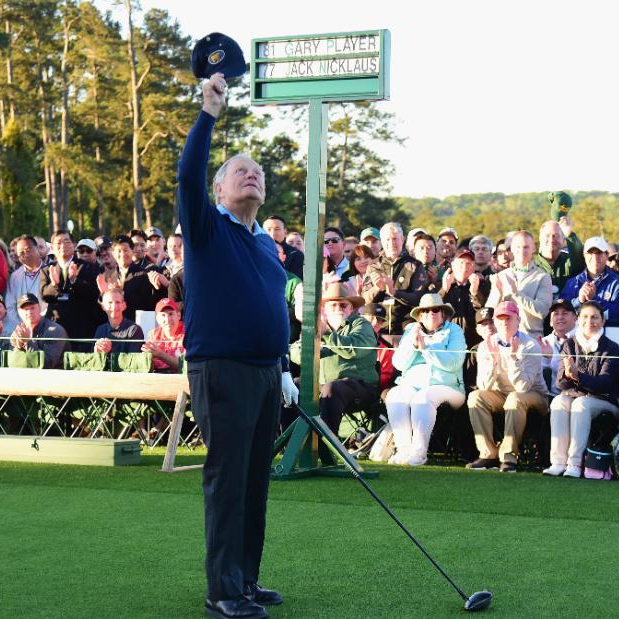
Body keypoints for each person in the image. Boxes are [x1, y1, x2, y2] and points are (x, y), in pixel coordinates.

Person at [178, 71, 294, 617]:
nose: (251, 177)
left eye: (258, 174)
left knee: (255, 480)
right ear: (220, 189)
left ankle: (246, 580)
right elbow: (186, 178)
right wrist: (208, 114)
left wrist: (284, 366)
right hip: (220, 368)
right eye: (239, 172)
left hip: (268, 372)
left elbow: (273, 312)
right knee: (228, 480)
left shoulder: (269, 248)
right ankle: (222, 590)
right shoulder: (206, 229)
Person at [382, 294, 467, 466]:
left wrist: (426, 349)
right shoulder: (411, 330)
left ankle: (419, 452)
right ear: (419, 315)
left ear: (443, 314)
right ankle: (404, 449)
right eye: (425, 311)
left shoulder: (455, 330)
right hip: (412, 385)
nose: (431, 314)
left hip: (448, 387)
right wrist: (413, 346)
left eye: (436, 310)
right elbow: (398, 363)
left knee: (423, 397)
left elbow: (454, 363)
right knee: (395, 395)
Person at [465, 300, 548, 472]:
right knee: (475, 397)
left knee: (515, 399)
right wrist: (494, 362)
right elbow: (484, 385)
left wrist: (513, 359)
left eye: (509, 318)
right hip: (499, 393)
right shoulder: (485, 346)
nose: (504, 322)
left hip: (534, 396)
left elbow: (523, 387)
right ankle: (488, 454)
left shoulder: (531, 345)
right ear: (495, 322)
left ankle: (509, 457)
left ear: (518, 320)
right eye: (500, 318)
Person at [544, 301, 619, 478]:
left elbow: (605, 383)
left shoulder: (611, 347)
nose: (590, 321)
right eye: (585, 317)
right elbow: (560, 384)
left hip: (605, 401)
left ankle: (574, 463)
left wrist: (577, 376)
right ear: (579, 320)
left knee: (581, 404)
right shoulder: (569, 344)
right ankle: (557, 462)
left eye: (595, 317)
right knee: (559, 401)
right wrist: (568, 376)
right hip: (574, 396)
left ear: (603, 321)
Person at [287, 283, 379, 434]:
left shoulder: (361, 324)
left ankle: (327, 446)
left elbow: (354, 350)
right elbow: (296, 353)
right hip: (322, 384)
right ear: (325, 309)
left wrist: (327, 336)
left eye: (343, 305)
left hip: (360, 385)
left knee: (332, 388)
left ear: (352, 308)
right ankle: (291, 442)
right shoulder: (319, 326)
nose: (338, 309)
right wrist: (313, 347)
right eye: (333, 305)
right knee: (292, 385)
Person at [360, 222, 429, 335]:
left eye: (395, 239)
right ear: (382, 241)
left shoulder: (415, 265)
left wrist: (394, 292)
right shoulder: (373, 265)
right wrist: (377, 288)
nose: (391, 243)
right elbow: (365, 299)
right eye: (387, 239)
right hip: (379, 329)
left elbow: (418, 299)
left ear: (402, 239)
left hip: (406, 330)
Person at [41, 230, 104, 351]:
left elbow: (93, 293)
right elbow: (44, 295)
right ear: (52, 247)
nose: (63, 245)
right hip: (56, 325)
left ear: (74, 245)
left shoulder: (86, 266)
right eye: (58, 242)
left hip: (81, 327)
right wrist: (54, 285)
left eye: (66, 241)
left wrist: (75, 280)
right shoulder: (47, 269)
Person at [486, 230, 553, 338]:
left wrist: (516, 293)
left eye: (526, 247)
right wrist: (498, 294)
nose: (522, 251)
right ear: (512, 248)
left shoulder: (543, 277)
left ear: (533, 248)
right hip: (504, 342)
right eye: (518, 247)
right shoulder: (502, 276)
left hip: (532, 342)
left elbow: (542, 311)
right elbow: (488, 314)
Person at [560, 236, 619, 326]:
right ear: (584, 255)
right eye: (590, 253)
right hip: (577, 335)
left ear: (607, 255)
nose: (595, 257)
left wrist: (594, 300)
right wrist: (579, 300)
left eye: (599, 253)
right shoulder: (572, 282)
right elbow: (562, 312)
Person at [440, 248, 490, 349]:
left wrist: (475, 293)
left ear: (474, 267)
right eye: (461, 263)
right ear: (453, 264)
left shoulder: (484, 285)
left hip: (473, 343)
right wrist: (444, 290)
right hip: (446, 341)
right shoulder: (440, 283)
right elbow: (431, 310)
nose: (464, 267)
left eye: (469, 263)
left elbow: (483, 313)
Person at [7, 293, 68, 369]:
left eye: (32, 308)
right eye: (25, 309)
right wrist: (20, 347)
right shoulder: (18, 331)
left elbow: (47, 364)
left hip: (57, 377)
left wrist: (27, 342)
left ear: (39, 308)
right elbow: (11, 363)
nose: (29, 312)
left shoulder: (55, 331)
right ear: (19, 312)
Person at [4, 235, 47, 332]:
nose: (25, 254)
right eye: (21, 253)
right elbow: (10, 305)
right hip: (22, 327)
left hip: (45, 325)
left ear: (37, 249)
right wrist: (21, 325)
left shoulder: (48, 271)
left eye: (28, 250)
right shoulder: (15, 276)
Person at [534, 220, 584, 299]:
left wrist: (569, 234)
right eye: (547, 235)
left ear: (564, 240)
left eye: (556, 235)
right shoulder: (531, 265)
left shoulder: (569, 262)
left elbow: (580, 256)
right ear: (540, 238)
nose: (551, 239)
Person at [93, 289, 145, 356]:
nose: (114, 307)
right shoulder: (100, 330)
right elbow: (94, 362)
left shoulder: (134, 329)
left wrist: (110, 352)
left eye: (117, 302)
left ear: (124, 306)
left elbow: (134, 361)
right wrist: (96, 353)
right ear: (103, 307)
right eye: (110, 302)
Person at [144, 298, 185, 373]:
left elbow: (186, 366)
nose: (167, 319)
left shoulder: (187, 333)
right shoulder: (153, 335)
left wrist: (161, 355)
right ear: (157, 319)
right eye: (163, 315)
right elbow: (146, 367)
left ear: (179, 315)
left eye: (171, 314)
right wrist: (148, 359)